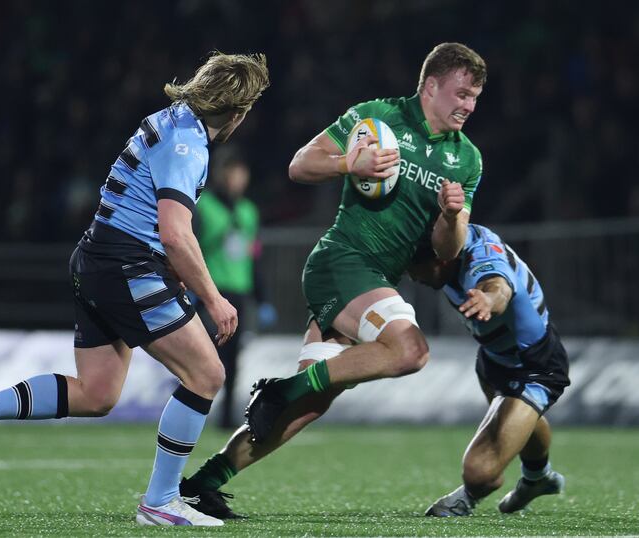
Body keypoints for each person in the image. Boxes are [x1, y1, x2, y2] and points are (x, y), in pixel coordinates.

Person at [0, 51, 270, 527]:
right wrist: (214, 298)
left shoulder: (171, 119)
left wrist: (176, 270)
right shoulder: (189, 142)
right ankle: (160, 501)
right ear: (239, 110)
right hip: (126, 263)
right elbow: (175, 232)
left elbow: (148, 213)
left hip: (97, 257)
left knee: (97, 392)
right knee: (206, 373)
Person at [179, 42, 487, 519]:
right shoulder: (378, 117)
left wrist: (451, 216)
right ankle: (281, 388)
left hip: (374, 279)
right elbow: (300, 164)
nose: (469, 106)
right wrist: (350, 164)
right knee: (411, 351)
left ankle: (202, 484)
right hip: (342, 261)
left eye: (475, 98)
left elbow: (448, 250)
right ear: (431, 86)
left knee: (309, 404)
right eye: (462, 94)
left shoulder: (466, 160)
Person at [409, 224, 570, 515]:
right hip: (493, 359)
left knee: (479, 473)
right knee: (523, 421)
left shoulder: (481, 264)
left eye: (416, 268)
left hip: (534, 366)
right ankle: (537, 478)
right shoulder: (456, 239)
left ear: (441, 259)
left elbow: (498, 285)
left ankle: (467, 498)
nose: (413, 276)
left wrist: (489, 299)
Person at [193, 147, 276, 428]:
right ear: (219, 174)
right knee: (204, 359)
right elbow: (191, 247)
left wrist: (262, 299)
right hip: (209, 294)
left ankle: (226, 419)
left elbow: (254, 258)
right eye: (231, 173)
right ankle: (192, 411)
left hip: (238, 294)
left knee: (232, 362)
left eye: (241, 173)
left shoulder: (249, 212)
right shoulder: (203, 206)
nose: (237, 179)